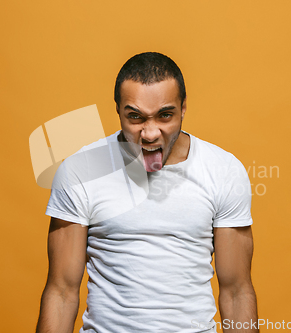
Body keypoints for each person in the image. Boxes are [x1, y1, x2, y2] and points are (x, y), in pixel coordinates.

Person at [36, 52, 259, 333]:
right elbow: (61, 292)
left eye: (165, 115)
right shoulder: (81, 171)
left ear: (184, 107)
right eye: (136, 117)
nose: (151, 133)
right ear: (117, 110)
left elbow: (237, 291)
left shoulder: (223, 170)